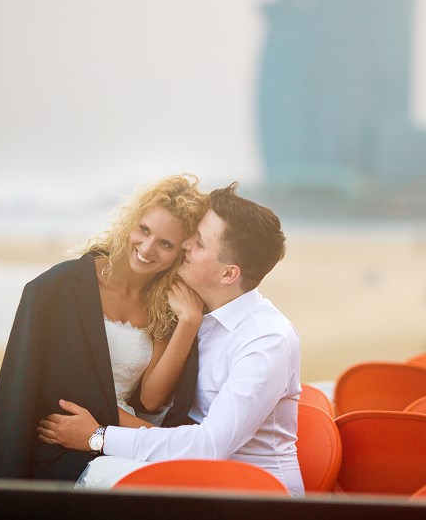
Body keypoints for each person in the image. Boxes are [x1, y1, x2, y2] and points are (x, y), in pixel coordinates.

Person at [37, 183, 303, 495]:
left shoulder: (266, 340)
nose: (185, 245)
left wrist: (99, 437)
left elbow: (209, 445)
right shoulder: (191, 310)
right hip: (195, 477)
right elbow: (158, 406)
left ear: (228, 274)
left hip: (255, 494)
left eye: (199, 242)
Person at [0, 175, 208, 481]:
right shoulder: (56, 288)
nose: (147, 248)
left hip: (119, 442)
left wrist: (189, 323)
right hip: (61, 446)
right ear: (130, 221)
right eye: (144, 230)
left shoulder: (165, 302)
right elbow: (20, 393)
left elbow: (151, 399)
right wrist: (155, 437)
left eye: (166, 244)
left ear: (181, 253)